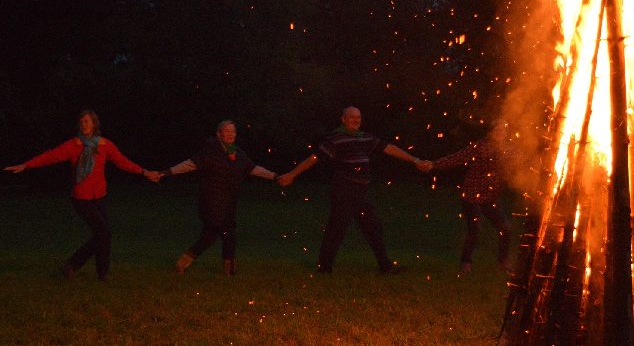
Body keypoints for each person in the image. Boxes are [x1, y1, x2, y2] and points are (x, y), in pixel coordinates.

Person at [3, 110, 156, 281]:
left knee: (103, 235)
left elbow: (122, 161)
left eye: (87, 121)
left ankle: (81, 268)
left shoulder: (105, 145)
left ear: (94, 124)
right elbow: (51, 156)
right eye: (82, 121)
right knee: (104, 233)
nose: (84, 124)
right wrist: (26, 165)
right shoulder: (74, 145)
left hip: (99, 196)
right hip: (81, 198)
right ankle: (99, 272)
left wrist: (143, 171)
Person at [278, 106, 429, 274]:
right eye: (352, 117)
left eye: (358, 117)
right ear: (343, 119)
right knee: (337, 227)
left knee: (372, 226)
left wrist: (414, 160)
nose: (356, 120)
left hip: (360, 191)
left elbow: (389, 148)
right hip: (344, 189)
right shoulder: (335, 139)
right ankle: (325, 267)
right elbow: (314, 158)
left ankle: (385, 266)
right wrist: (292, 174)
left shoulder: (365, 138)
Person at [155, 120, 280, 276]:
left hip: (228, 202)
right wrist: (166, 172)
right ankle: (226, 271)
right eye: (226, 131)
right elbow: (190, 164)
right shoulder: (210, 152)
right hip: (212, 202)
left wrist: (274, 176)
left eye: (233, 131)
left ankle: (186, 264)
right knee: (223, 234)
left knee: (214, 236)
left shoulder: (238, 153)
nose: (230, 134)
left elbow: (253, 169)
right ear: (219, 134)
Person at [419, 120, 517, 275]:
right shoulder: (479, 147)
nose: (501, 134)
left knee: (505, 228)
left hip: (492, 197)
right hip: (472, 195)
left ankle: (503, 261)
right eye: (497, 131)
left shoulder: (509, 149)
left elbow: (521, 164)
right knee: (475, 229)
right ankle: (466, 262)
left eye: (503, 131)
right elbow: (457, 158)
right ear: (490, 133)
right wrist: (433, 164)